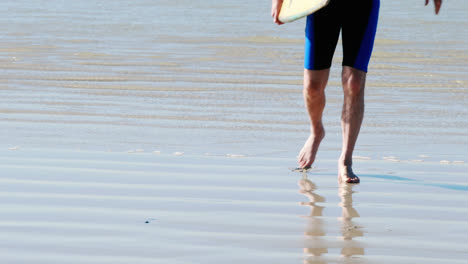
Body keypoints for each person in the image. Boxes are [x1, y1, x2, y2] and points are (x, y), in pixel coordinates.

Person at [271, 0, 443, 183]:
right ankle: (316, 131)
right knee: (313, 87)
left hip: (362, 4)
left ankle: (346, 159)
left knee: (354, 83)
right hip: (321, 5)